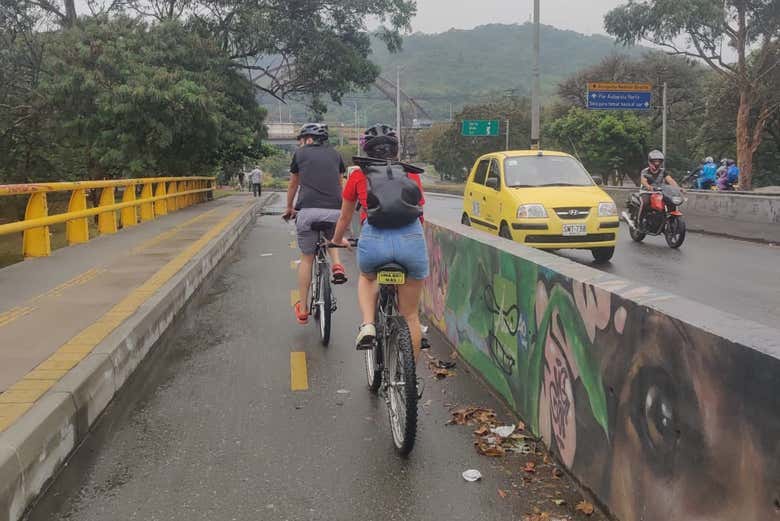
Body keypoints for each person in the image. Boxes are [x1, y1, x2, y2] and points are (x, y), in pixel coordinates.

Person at [330, 124, 428, 358]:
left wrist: (336, 240)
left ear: (367, 151)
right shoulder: (410, 173)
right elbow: (419, 214)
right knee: (411, 316)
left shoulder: (358, 175)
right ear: (395, 149)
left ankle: (368, 325)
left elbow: (345, 217)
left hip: (374, 241)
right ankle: (410, 375)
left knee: (367, 277)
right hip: (410, 241)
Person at [282, 123, 348, 324]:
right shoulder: (336, 154)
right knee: (333, 237)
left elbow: (293, 184)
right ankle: (337, 265)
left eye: (301, 140)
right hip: (335, 211)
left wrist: (289, 208)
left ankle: (303, 309)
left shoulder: (300, 154)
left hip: (308, 212)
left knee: (307, 258)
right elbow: (341, 184)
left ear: (308, 139)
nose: (300, 143)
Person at [634, 149, 681, 226]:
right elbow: (643, 181)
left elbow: (670, 180)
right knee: (645, 203)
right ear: (650, 162)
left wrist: (678, 188)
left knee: (670, 202)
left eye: (659, 161)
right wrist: (648, 186)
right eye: (655, 161)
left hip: (660, 192)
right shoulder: (645, 171)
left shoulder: (663, 171)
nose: (657, 163)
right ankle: (639, 221)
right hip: (647, 192)